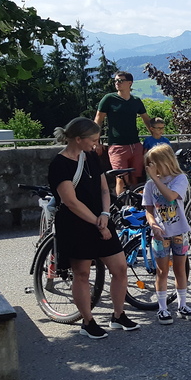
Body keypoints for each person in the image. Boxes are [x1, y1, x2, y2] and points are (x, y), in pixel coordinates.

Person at [48, 117, 139, 339]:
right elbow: (70, 201)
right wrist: (98, 222)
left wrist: (105, 215)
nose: (96, 144)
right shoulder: (59, 164)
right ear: (78, 139)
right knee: (82, 273)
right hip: (75, 223)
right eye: (93, 140)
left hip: (101, 218)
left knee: (120, 268)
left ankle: (118, 315)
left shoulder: (90, 157)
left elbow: (104, 189)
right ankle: (87, 321)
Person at [142, 143, 191, 325]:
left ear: (164, 162)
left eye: (153, 164)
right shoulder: (150, 185)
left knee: (180, 269)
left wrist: (155, 179)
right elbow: (149, 210)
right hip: (160, 234)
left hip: (179, 231)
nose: (150, 168)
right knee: (162, 271)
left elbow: (171, 196)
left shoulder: (180, 178)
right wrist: (153, 225)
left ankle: (182, 305)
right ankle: (163, 308)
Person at [94, 71, 152, 195]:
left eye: (120, 80)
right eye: (115, 80)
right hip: (117, 146)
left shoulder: (136, 101)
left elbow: (146, 120)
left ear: (129, 83)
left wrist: (156, 137)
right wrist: (96, 142)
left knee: (136, 178)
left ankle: (135, 204)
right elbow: (98, 120)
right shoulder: (109, 99)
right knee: (121, 179)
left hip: (135, 146)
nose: (117, 83)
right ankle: (122, 204)